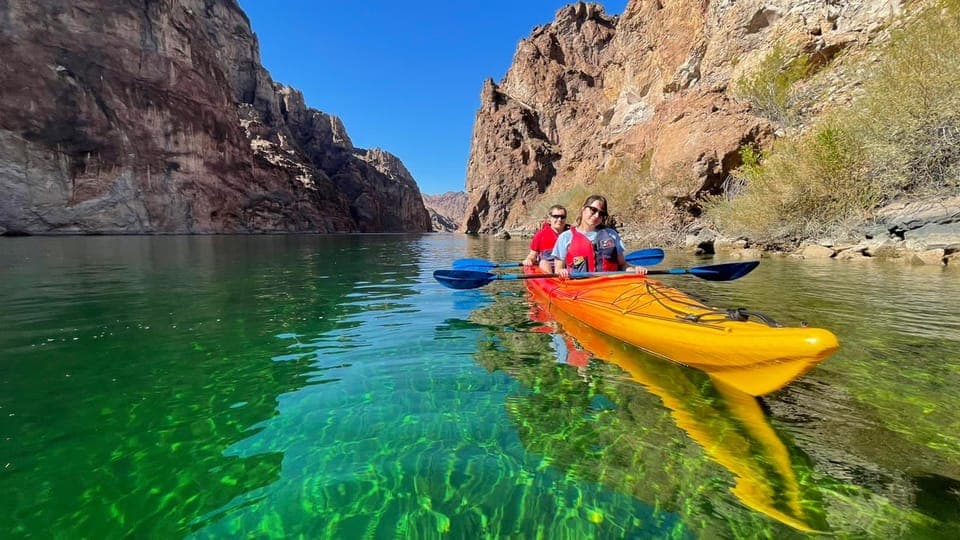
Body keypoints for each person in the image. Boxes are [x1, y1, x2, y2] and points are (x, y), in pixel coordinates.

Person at [552, 195, 648, 279]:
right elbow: (558, 269)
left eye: (602, 214)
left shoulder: (611, 234)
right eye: (593, 210)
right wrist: (561, 271)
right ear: (583, 209)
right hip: (580, 286)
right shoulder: (565, 237)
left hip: (611, 284)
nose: (597, 215)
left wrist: (635, 270)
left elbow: (623, 265)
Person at [522, 204, 569, 272]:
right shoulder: (540, 234)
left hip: (566, 268)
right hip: (547, 268)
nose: (559, 219)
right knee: (543, 263)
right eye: (556, 216)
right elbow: (532, 255)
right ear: (550, 218)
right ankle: (551, 280)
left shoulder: (572, 233)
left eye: (562, 217)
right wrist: (529, 260)